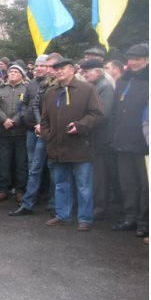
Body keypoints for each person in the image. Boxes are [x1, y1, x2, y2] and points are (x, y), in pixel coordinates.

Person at [40, 58, 104, 231]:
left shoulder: (87, 89)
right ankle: (63, 215)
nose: (59, 71)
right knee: (61, 183)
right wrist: (48, 136)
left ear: (72, 70)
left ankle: (85, 219)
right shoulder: (51, 92)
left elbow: (97, 114)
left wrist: (80, 126)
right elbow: (44, 119)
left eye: (62, 68)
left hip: (80, 146)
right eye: (56, 69)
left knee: (83, 185)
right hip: (58, 147)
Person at [110, 44, 149, 237]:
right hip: (123, 141)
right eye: (131, 58)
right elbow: (116, 112)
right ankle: (130, 217)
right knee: (128, 183)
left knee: (146, 185)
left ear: (148, 60)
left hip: (144, 144)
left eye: (138, 59)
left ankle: (145, 222)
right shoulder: (123, 81)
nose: (133, 62)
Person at [10, 54, 56, 216]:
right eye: (37, 66)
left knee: (52, 168)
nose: (39, 69)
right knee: (33, 167)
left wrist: (42, 125)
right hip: (32, 130)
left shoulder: (55, 85)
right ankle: (29, 202)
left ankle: (53, 203)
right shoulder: (33, 85)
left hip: (51, 132)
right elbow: (27, 104)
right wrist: (25, 116)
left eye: (43, 66)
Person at [79, 58, 115, 219]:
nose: (84, 75)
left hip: (101, 138)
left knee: (100, 175)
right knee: (94, 174)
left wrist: (82, 122)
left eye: (87, 72)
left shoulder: (105, 87)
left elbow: (102, 114)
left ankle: (100, 207)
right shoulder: (95, 86)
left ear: (98, 72)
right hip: (93, 136)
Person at [0, 62, 28, 202]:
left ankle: (20, 189)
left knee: (21, 163)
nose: (12, 73)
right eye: (11, 72)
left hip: (20, 132)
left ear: (22, 75)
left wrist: (15, 121)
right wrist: (4, 120)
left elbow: (26, 106)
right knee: (3, 162)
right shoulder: (0, 89)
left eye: (16, 72)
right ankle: (2, 189)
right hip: (3, 131)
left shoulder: (26, 89)